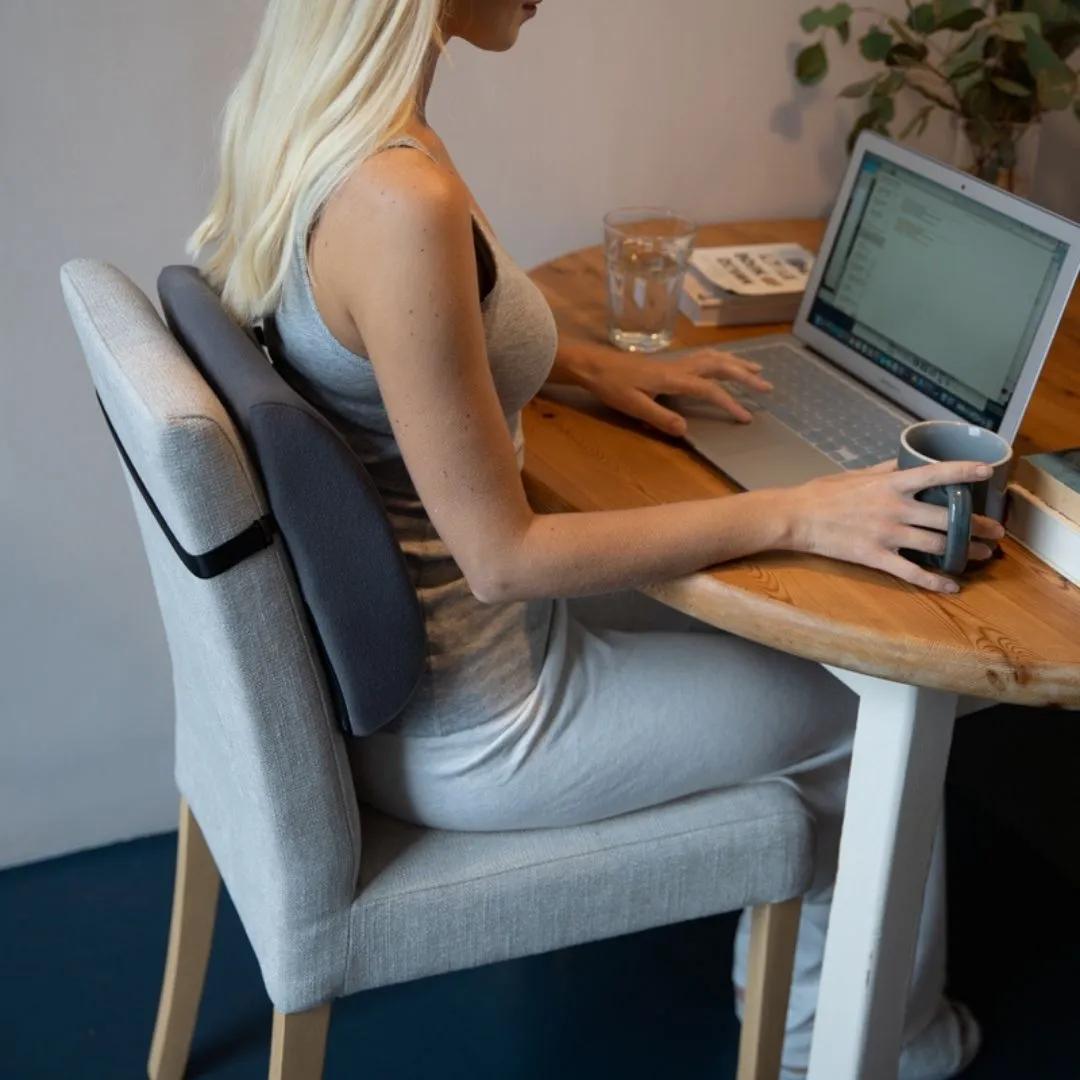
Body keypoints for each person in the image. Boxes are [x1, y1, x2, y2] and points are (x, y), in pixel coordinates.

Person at [191, 1, 996, 1074]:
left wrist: (595, 366)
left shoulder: (327, 127)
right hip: (483, 719)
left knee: (800, 628)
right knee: (877, 725)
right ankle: (868, 1049)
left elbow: (401, 339)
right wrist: (805, 509)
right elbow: (507, 558)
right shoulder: (400, 195)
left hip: (422, 665)